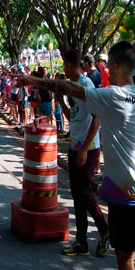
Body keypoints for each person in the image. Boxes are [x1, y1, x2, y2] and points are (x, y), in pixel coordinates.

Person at [18, 41, 135, 270]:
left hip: (125, 192)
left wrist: (33, 81)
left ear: (114, 66)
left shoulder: (112, 96)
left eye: (106, 67)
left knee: (125, 255)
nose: (104, 70)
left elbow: (69, 88)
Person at [49, 50, 108, 257]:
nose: (63, 70)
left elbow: (96, 118)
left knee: (84, 191)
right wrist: (62, 103)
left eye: (65, 66)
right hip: (75, 145)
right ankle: (81, 241)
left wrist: (85, 148)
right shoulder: (72, 89)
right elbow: (72, 116)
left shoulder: (86, 86)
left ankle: (104, 230)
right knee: (76, 193)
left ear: (71, 66)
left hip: (88, 148)